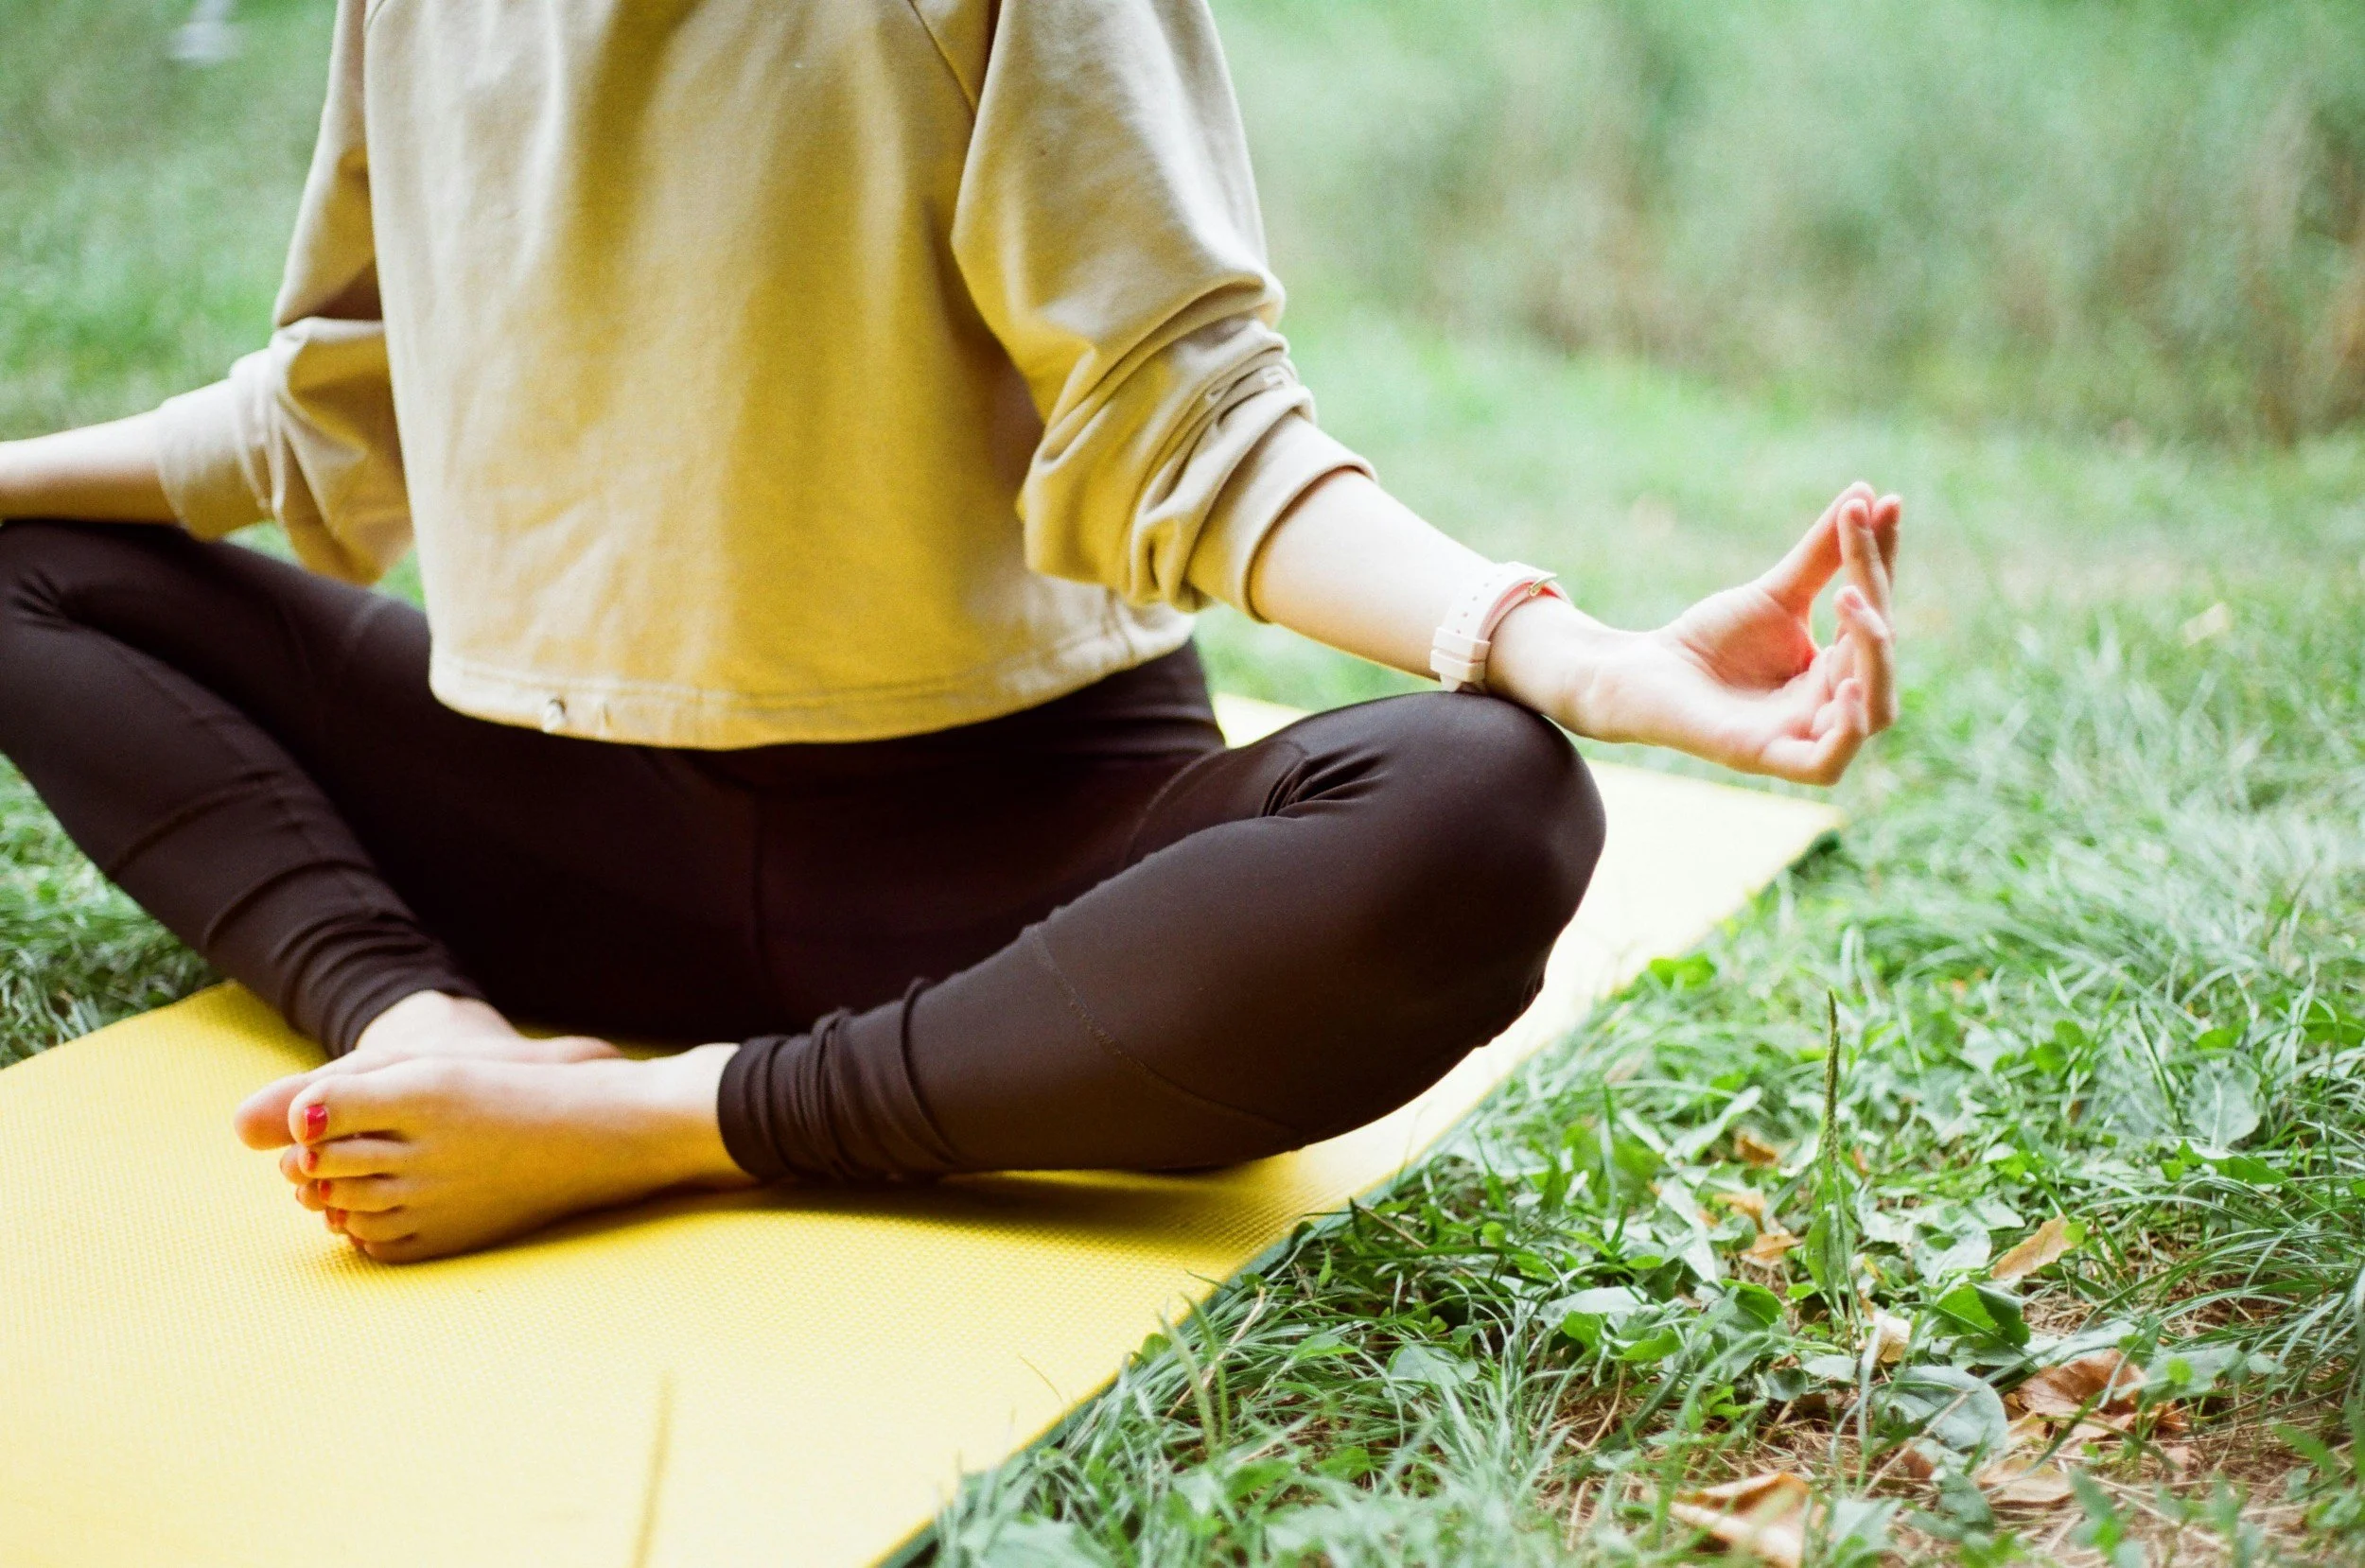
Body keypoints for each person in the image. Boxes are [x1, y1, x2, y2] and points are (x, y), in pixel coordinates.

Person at [0, 0, 1900, 1263]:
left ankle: (663, 1121)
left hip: (1002, 874)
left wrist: (1570, 656)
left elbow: (1199, 429)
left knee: (1484, 803)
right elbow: (337, 406)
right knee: (22, 564)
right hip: (560, 826)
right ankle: (443, 1042)